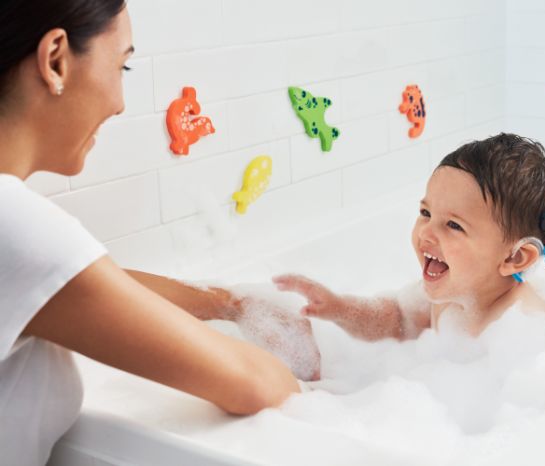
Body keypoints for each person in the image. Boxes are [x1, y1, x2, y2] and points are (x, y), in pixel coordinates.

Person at [0, 2, 316, 465]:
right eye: (121, 64)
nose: (121, 101)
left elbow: (84, 284)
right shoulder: (15, 221)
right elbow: (256, 384)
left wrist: (228, 303)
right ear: (55, 60)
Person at [275, 133, 545, 340]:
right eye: (426, 213)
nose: (426, 232)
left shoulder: (523, 326)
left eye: (453, 225)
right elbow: (398, 320)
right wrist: (340, 308)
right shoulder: (452, 291)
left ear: (515, 257)